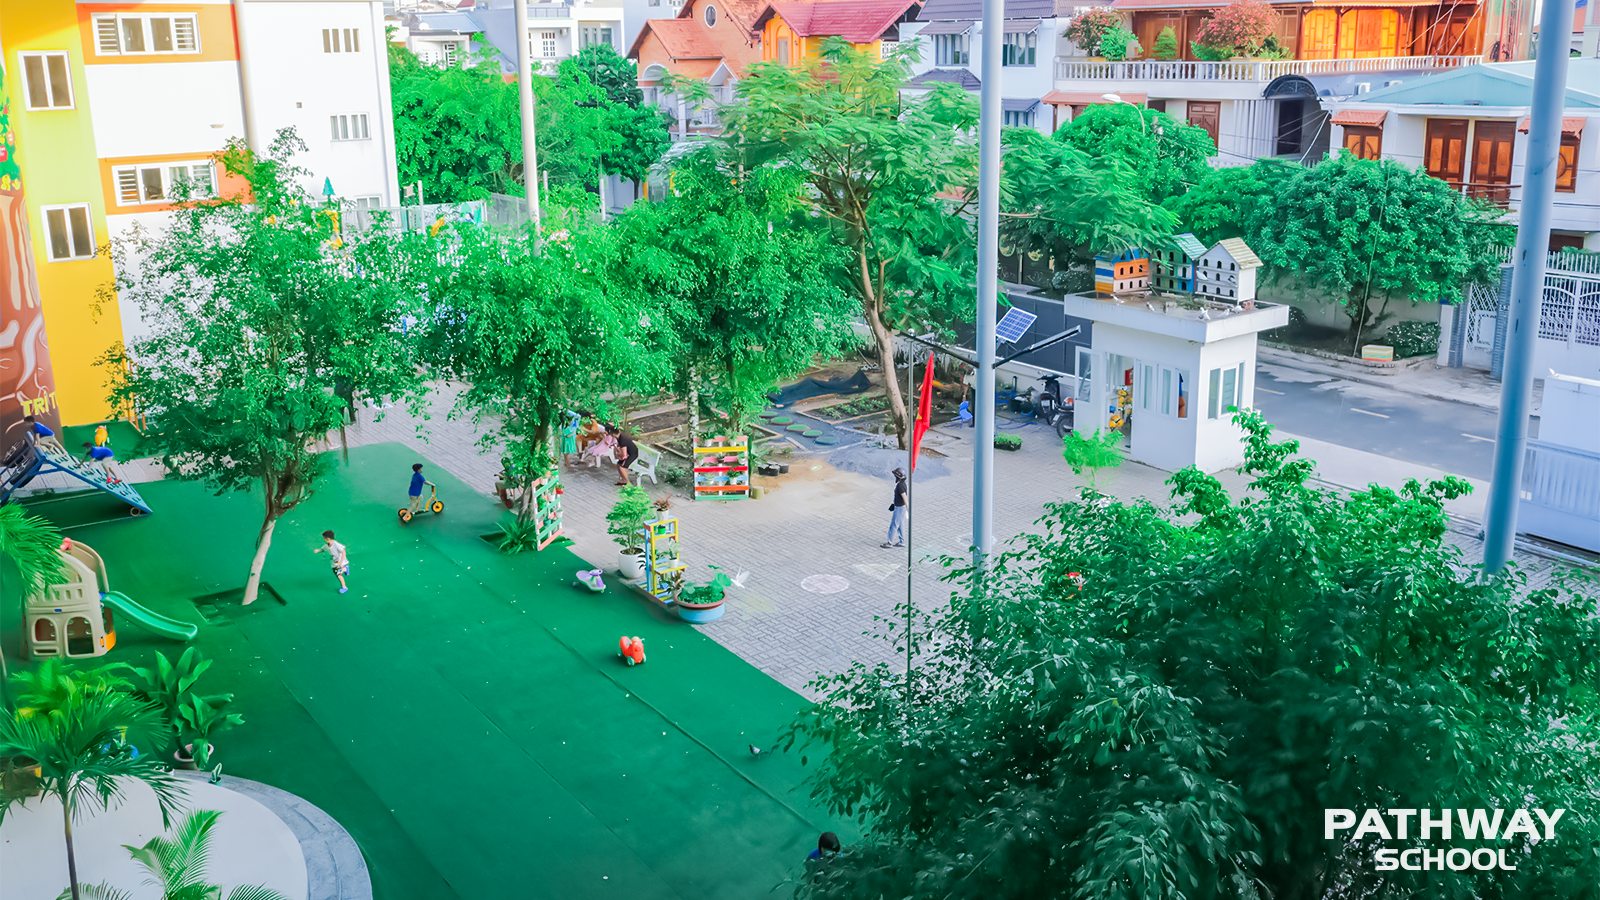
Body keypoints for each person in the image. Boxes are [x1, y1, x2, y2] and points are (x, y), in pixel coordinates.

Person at [313, 530, 350, 594]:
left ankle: (344, 587)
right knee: (337, 574)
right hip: (334, 563)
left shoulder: (336, 545)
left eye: (324, 538)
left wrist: (341, 562)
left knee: (338, 575)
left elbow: (343, 552)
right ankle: (345, 568)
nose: (323, 539)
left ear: (327, 539)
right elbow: (323, 550)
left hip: (340, 562)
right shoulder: (326, 545)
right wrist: (318, 551)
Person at [882, 468, 907, 549]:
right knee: (900, 525)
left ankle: (890, 543)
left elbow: (905, 498)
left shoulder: (900, 486)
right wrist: (894, 503)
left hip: (899, 509)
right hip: (901, 507)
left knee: (894, 525)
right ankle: (902, 542)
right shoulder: (902, 483)